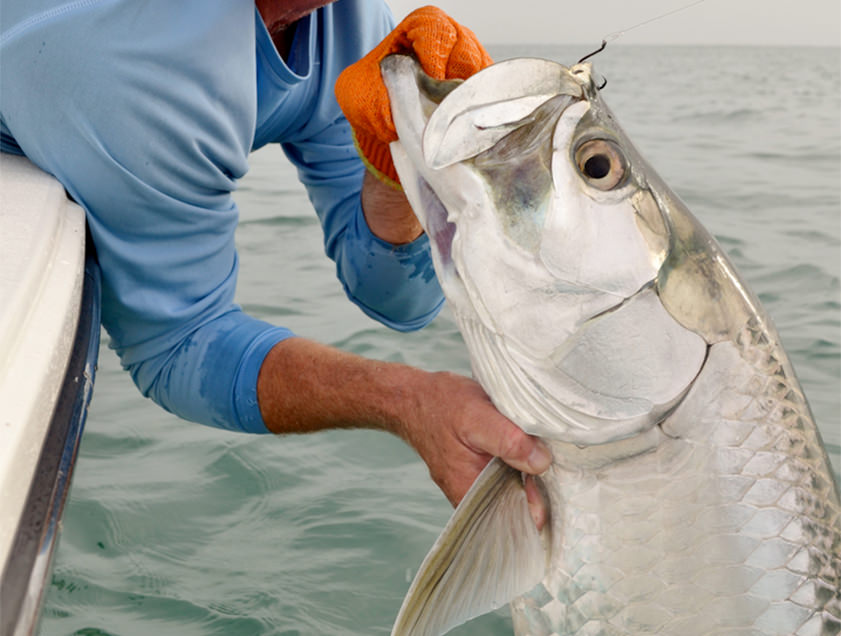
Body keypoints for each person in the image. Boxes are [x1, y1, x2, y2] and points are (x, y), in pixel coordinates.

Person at [0, 0, 550, 515]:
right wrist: (408, 402)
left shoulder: (348, 22)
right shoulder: (133, 64)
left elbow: (399, 300)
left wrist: (396, 162)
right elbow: (178, 348)